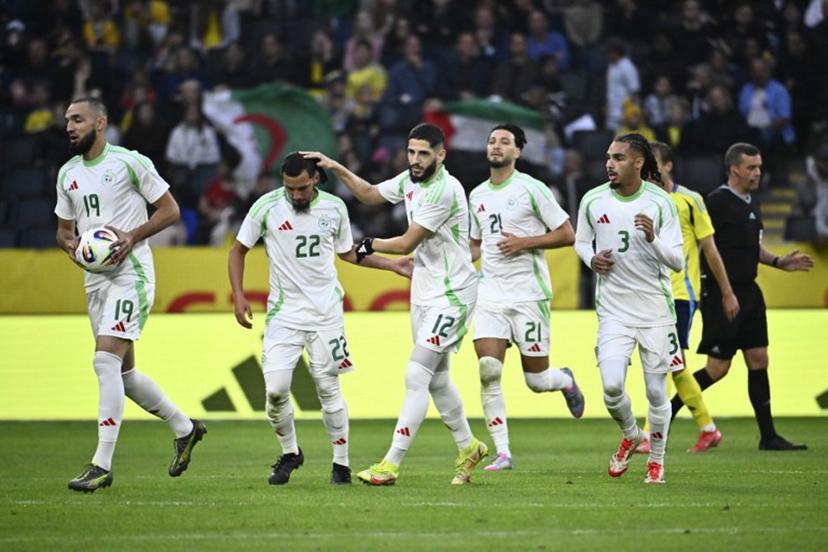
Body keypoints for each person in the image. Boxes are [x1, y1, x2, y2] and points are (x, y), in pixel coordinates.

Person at [303, 124, 488, 486]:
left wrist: (367, 244)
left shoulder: (444, 190)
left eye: (423, 153)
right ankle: (469, 447)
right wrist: (336, 167)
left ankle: (391, 463)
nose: (415, 160)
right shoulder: (410, 179)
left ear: (441, 155)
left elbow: (405, 244)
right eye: (411, 152)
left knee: (416, 374)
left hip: (452, 294)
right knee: (437, 380)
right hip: (424, 290)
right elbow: (371, 194)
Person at [228, 153, 412, 486]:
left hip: (326, 314)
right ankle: (290, 453)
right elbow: (237, 250)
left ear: (315, 178)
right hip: (284, 314)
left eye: (301, 188)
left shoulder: (334, 208)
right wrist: (238, 295)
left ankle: (340, 464)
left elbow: (348, 254)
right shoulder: (266, 207)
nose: (295, 195)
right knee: (275, 391)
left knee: (328, 388)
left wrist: (393, 265)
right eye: (289, 188)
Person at [54, 97, 206, 493]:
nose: (69, 126)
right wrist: (71, 246)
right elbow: (64, 231)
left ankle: (101, 464)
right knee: (125, 374)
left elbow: (169, 210)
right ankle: (185, 428)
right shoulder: (68, 173)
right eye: (67, 120)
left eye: (77, 119)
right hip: (95, 279)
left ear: (100, 123)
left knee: (104, 362)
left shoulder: (129, 162)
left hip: (131, 273)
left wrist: (131, 237)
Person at [671, 143, 814, 450]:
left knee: (759, 358)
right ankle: (663, 419)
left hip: (749, 291)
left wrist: (778, 262)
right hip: (724, 293)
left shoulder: (751, 203)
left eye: (759, 167)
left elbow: (752, 248)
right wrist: (723, 292)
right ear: (734, 169)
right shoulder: (716, 202)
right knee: (718, 368)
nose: (758, 173)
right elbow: (705, 247)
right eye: (752, 167)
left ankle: (769, 436)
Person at [467, 123, 585, 471]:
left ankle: (564, 380)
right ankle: (503, 452)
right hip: (490, 294)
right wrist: (452, 264)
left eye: (505, 142)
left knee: (536, 381)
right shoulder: (477, 195)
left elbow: (567, 234)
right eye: (491, 141)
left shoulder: (532, 189)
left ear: (518, 151)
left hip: (529, 296)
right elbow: (477, 243)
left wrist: (524, 242)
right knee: (488, 370)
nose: (496, 146)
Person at [574, 133, 684, 484]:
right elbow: (579, 240)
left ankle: (656, 460)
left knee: (655, 392)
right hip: (614, 310)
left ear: (638, 162)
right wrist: (590, 259)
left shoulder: (660, 202)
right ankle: (631, 432)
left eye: (619, 157)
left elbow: (678, 262)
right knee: (610, 387)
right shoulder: (592, 200)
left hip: (655, 311)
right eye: (608, 157)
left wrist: (652, 239)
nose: (610, 163)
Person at [636, 142, 739, 455]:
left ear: (668, 166)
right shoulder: (642, 200)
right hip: (650, 293)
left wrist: (726, 290)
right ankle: (706, 428)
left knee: (669, 362)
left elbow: (709, 248)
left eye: (654, 164)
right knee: (672, 364)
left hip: (681, 294)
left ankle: (655, 433)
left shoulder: (690, 199)